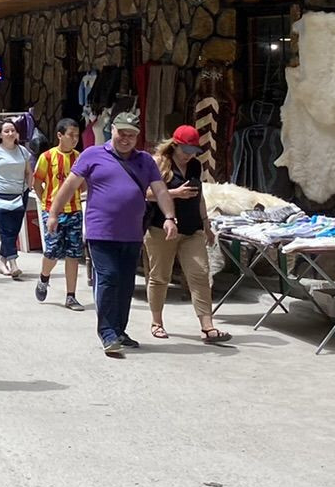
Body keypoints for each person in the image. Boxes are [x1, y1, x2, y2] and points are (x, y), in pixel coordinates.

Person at [57, 110, 174, 358]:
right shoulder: (93, 154)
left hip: (132, 233)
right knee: (109, 278)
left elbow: (161, 191)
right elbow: (70, 185)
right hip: (101, 231)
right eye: (123, 133)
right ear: (113, 130)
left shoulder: (145, 161)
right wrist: (55, 214)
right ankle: (107, 333)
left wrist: (170, 218)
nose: (126, 139)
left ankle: (120, 331)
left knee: (125, 284)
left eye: (132, 135)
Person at [146, 125, 226, 343]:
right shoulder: (157, 163)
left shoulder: (195, 166)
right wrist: (174, 193)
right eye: (185, 150)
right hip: (161, 228)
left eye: (193, 151)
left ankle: (207, 327)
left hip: (192, 228)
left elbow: (199, 195)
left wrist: (206, 223)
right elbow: (146, 193)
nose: (189, 155)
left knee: (200, 274)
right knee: (160, 276)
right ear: (175, 145)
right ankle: (157, 322)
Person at [34, 118, 88, 310]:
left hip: (74, 210)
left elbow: (83, 185)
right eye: (70, 135)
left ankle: (71, 295)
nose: (74, 139)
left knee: (73, 253)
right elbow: (37, 183)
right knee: (52, 251)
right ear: (60, 135)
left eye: (76, 136)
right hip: (52, 211)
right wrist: (46, 205)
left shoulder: (80, 158)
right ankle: (44, 277)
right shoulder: (47, 157)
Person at [0, 118, 35, 280]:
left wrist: (29, 186)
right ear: (0, 134)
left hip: (20, 195)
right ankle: (13, 263)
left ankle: (2, 262)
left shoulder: (23, 151)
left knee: (13, 231)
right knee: (5, 231)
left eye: (13, 130)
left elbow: (28, 171)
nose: (11, 134)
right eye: (7, 131)